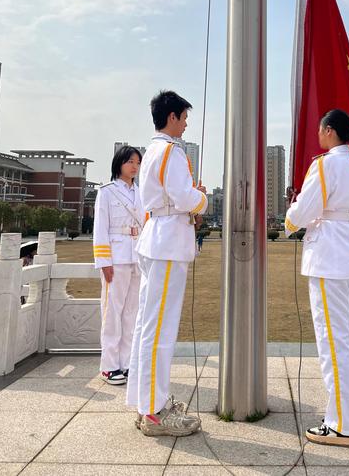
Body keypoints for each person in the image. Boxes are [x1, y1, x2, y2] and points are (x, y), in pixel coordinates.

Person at [285, 109, 349, 448]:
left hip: (328, 256)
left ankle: (340, 425)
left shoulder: (324, 165)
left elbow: (305, 211)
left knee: (332, 342)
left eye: (321, 129)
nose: (318, 135)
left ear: (329, 131)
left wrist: (290, 220)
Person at [126, 90, 208, 438]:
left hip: (157, 238)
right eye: (184, 117)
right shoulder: (171, 152)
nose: (187, 123)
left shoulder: (152, 151)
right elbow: (185, 196)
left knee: (149, 326)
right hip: (167, 244)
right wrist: (202, 196)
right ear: (172, 116)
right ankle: (154, 412)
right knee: (159, 330)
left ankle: (146, 403)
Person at [93, 145, 144, 385]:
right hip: (116, 257)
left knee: (131, 313)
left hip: (137, 256)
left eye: (137, 162)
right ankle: (109, 365)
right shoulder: (107, 192)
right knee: (112, 313)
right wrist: (104, 261)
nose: (134, 166)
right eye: (130, 162)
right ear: (119, 164)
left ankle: (126, 363)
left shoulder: (141, 193)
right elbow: (100, 229)